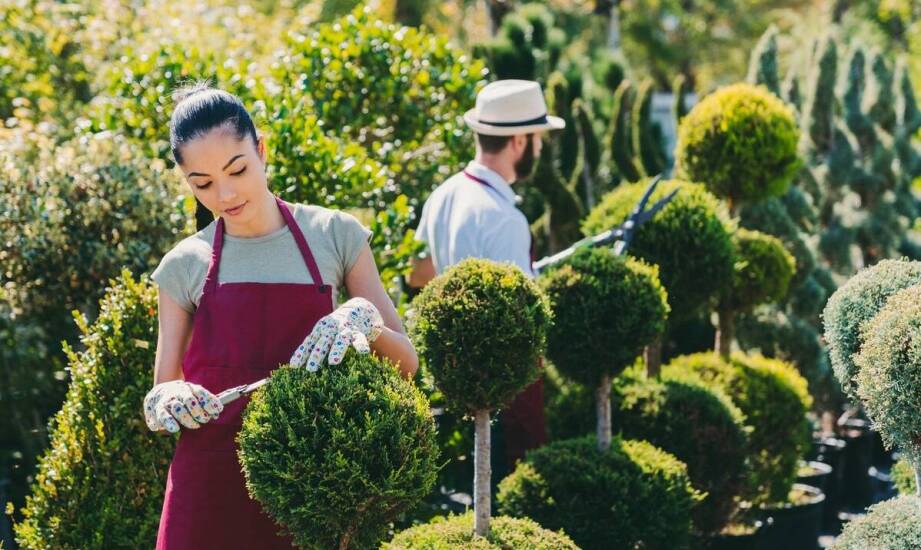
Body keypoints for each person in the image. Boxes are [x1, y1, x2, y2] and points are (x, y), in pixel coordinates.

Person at [143, 83, 418, 549]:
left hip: (312, 490)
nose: (226, 193)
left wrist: (362, 317)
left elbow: (407, 365)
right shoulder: (184, 264)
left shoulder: (335, 235)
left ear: (262, 150)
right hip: (208, 493)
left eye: (237, 169)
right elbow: (159, 395)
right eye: (203, 183)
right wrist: (170, 397)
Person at [409, 79, 565, 469]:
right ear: (519, 141)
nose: (540, 148)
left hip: (451, 377)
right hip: (501, 389)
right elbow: (522, 326)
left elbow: (417, 274)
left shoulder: (443, 194)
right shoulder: (504, 218)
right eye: (538, 139)